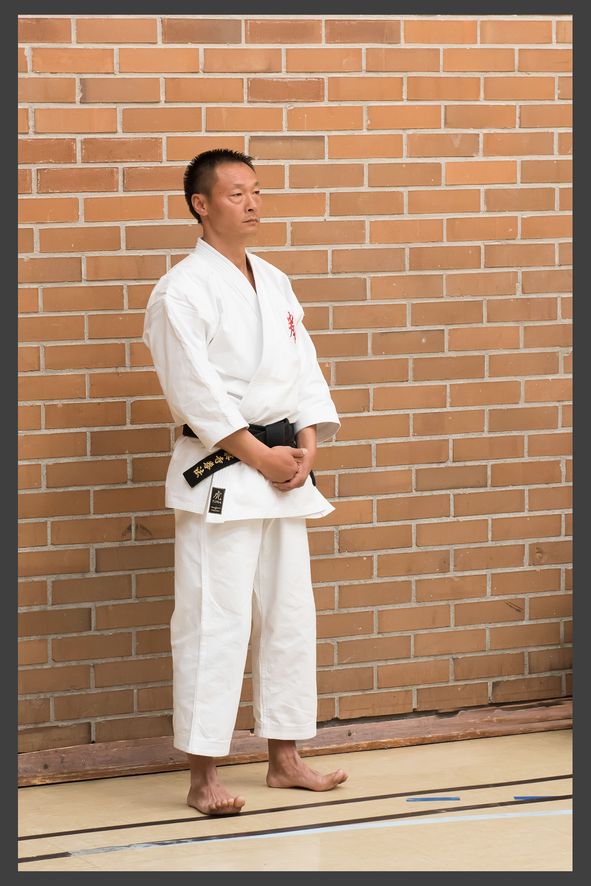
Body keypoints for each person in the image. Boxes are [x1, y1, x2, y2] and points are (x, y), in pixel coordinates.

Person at [143, 148, 348, 815]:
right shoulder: (180, 291)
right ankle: (203, 775)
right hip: (225, 473)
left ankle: (285, 758)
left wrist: (306, 445)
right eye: (237, 193)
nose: (253, 203)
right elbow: (194, 392)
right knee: (214, 621)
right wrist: (260, 456)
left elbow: (304, 371)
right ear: (201, 205)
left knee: (290, 616)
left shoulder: (274, 280)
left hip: (284, 470)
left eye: (256, 191)